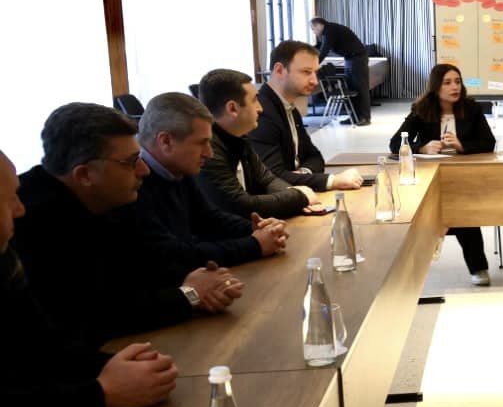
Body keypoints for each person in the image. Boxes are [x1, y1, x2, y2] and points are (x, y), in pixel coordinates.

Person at [12, 103, 243, 344]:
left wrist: (203, 286)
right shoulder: (31, 220)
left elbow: (152, 266)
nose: (144, 170)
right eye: (132, 161)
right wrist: (190, 294)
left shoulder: (111, 197)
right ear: (85, 175)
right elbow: (88, 317)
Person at [1, 148, 176, 407]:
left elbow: (45, 345)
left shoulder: (4, 260)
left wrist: (121, 367)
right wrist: (103, 394)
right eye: (9, 200)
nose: (20, 210)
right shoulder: (41, 221)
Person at [118, 92, 289, 278]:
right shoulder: (130, 186)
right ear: (166, 141)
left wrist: (257, 229)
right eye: (202, 143)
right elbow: (174, 256)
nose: (209, 153)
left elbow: (208, 218)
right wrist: (255, 245)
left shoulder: (176, 168)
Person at [390, 64, 495, 286]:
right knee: (426, 212)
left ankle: (478, 267)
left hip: (462, 177)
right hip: (430, 176)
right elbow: (395, 143)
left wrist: (462, 145)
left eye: (457, 82)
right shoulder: (422, 109)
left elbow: (489, 142)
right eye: (447, 83)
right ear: (436, 87)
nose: (454, 87)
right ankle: (413, 265)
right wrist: (421, 147)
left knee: (462, 211)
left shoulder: (472, 108)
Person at [197, 68, 319, 220]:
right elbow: (241, 205)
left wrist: (292, 192)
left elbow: (267, 179)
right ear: (232, 108)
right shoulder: (207, 150)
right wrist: (298, 197)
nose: (260, 108)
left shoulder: (238, 137)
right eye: (254, 100)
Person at [249, 39, 364, 192]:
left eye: (315, 72)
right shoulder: (261, 113)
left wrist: (302, 173)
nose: (314, 81)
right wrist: (332, 181)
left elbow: (315, 157)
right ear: (279, 70)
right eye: (306, 72)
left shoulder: (290, 109)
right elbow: (272, 178)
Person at [310, 16, 372, 125]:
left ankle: (365, 117)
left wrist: (313, 66)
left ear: (318, 25)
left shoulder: (330, 30)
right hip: (350, 59)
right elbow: (321, 49)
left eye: (313, 29)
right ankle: (354, 117)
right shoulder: (328, 31)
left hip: (357, 58)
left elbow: (324, 50)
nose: (314, 32)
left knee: (360, 88)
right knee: (352, 88)